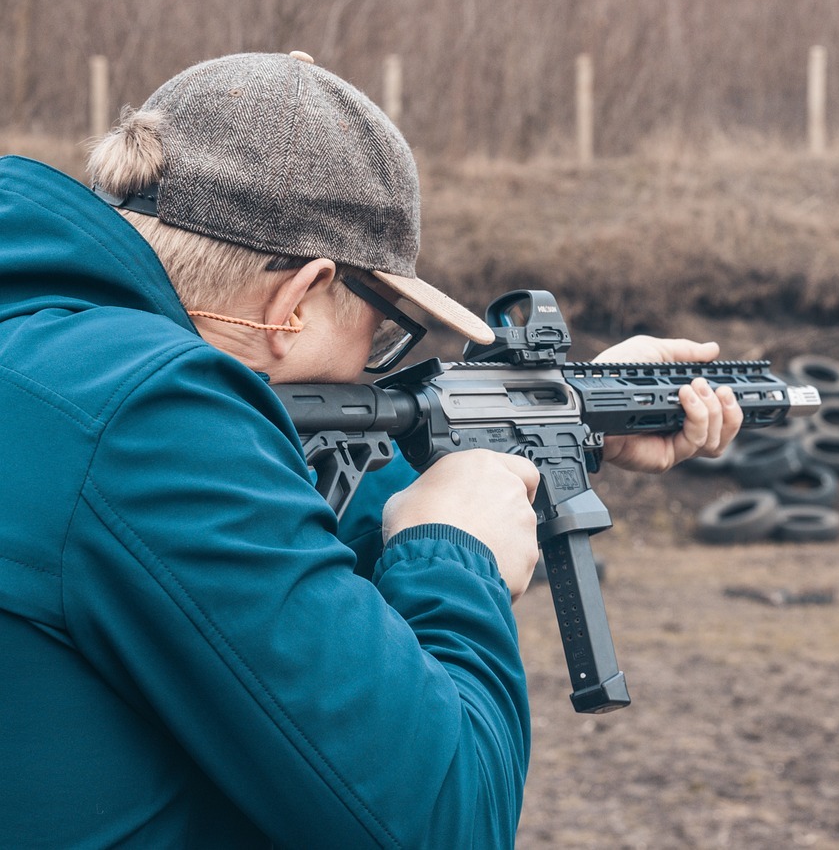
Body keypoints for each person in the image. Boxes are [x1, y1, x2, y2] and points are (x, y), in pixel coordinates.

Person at [0, 51, 742, 848]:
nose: (369, 366)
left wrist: (563, 419)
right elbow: (446, 818)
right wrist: (453, 555)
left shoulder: (50, 360)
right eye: (382, 331)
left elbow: (257, 548)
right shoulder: (149, 419)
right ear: (295, 300)